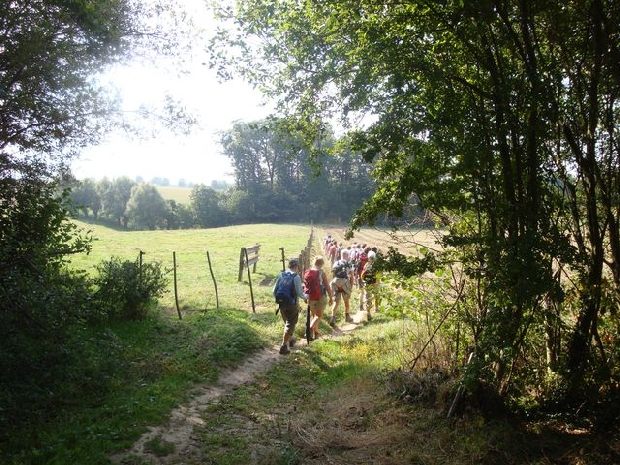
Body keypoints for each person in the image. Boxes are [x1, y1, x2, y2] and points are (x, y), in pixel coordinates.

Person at [273, 258, 308, 354]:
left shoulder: (281, 275)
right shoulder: (296, 277)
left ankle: (291, 340)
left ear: (289, 266)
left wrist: (279, 300)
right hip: (292, 304)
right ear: (296, 267)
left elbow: (274, 291)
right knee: (290, 324)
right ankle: (284, 345)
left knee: (287, 323)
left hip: (281, 303)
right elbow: (300, 294)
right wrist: (307, 296)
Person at [303, 256, 333, 340]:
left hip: (310, 297)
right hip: (320, 297)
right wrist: (331, 297)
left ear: (314, 262)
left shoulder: (308, 271)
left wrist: (305, 297)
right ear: (322, 263)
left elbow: (305, 286)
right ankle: (309, 329)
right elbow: (327, 286)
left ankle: (316, 334)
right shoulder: (321, 273)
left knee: (314, 316)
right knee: (318, 316)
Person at [329, 250, 354, 325]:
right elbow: (352, 277)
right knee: (346, 301)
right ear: (347, 255)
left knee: (336, 302)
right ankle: (347, 316)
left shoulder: (336, 263)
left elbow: (333, 274)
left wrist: (334, 284)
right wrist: (350, 287)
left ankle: (333, 318)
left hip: (335, 282)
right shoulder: (349, 264)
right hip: (345, 283)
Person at [361, 251, 380, 320]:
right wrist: (377, 282)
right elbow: (379, 275)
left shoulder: (366, 265)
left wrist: (364, 281)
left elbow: (362, 275)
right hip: (375, 283)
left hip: (367, 284)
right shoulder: (377, 265)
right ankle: (376, 308)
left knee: (368, 298)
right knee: (376, 295)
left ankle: (368, 313)